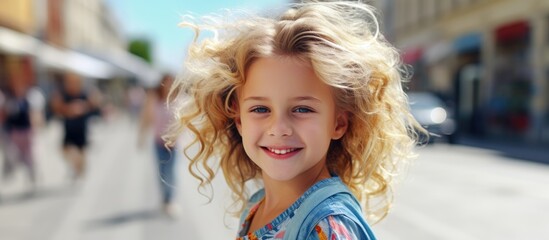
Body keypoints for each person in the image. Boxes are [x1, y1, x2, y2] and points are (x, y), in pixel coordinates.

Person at [165, 1, 423, 239]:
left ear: (338, 123)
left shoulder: (326, 228)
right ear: (239, 119)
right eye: (260, 109)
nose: (278, 128)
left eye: (302, 109)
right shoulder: (259, 206)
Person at [139, 74, 180, 218]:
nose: (168, 86)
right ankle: (164, 197)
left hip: (172, 144)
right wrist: (141, 137)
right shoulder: (153, 100)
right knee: (161, 173)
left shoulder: (177, 100)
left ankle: (169, 200)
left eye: (171, 83)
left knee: (170, 172)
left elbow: (183, 122)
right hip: (157, 142)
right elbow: (146, 118)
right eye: (166, 83)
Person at [0, 59, 45, 191]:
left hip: (28, 132)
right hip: (13, 133)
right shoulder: (6, 97)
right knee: (14, 156)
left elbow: (37, 114)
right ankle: (11, 168)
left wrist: (38, 124)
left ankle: (32, 175)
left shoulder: (32, 95)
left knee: (32, 157)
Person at [51, 72, 101, 180]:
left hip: (81, 130)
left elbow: (94, 104)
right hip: (69, 129)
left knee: (81, 155)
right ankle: (76, 167)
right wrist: (69, 109)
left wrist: (83, 107)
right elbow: (56, 108)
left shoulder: (84, 94)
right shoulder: (64, 94)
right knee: (66, 150)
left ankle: (79, 168)